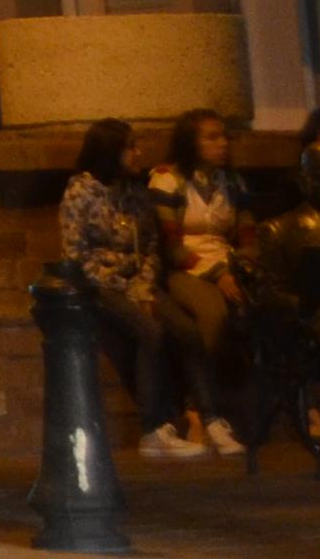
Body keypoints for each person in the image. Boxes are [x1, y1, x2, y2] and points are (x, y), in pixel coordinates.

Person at [59, 120, 185, 451]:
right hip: (100, 287)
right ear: (110, 152)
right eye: (130, 147)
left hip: (136, 284)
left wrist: (142, 287)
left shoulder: (133, 191)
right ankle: (153, 426)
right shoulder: (81, 192)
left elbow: (150, 244)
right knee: (149, 332)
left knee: (183, 329)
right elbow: (76, 255)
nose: (137, 152)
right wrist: (119, 284)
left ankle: (198, 416)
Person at [145, 108, 255, 455]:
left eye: (223, 136)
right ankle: (198, 408)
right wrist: (216, 274)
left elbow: (247, 233)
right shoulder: (168, 179)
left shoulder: (231, 183)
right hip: (186, 268)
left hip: (227, 262)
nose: (221, 144)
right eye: (211, 137)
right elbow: (169, 243)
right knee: (213, 314)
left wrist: (243, 265)